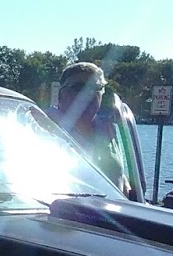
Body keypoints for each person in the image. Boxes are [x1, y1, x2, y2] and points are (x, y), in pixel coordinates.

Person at [48, 61, 147, 200]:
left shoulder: (107, 129)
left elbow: (118, 175)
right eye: (79, 87)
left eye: (95, 87)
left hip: (115, 216)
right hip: (64, 218)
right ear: (62, 93)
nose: (88, 94)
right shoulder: (43, 124)